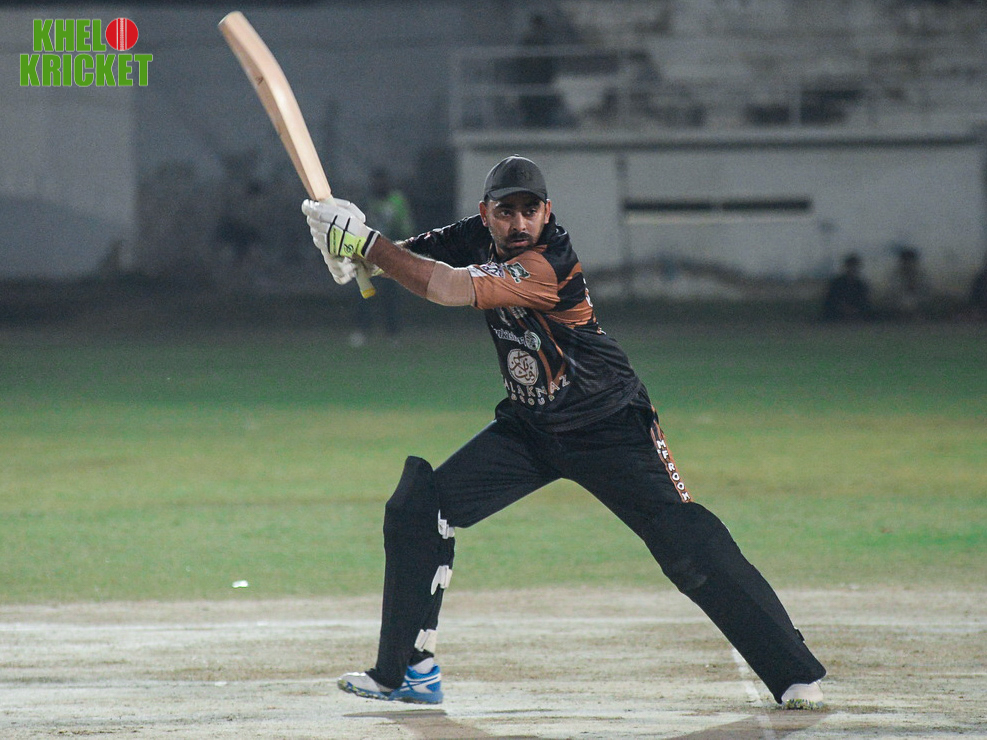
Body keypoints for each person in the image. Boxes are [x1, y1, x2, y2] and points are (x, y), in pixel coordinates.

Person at [301, 156, 827, 710]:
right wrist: (354, 251)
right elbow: (409, 255)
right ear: (486, 212)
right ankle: (407, 671)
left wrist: (367, 245)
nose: (518, 223)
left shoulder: (547, 263)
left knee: (687, 545)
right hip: (531, 428)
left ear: (547, 211)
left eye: (530, 210)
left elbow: (446, 286)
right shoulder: (477, 235)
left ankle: (794, 673)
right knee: (419, 507)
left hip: (609, 426)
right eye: (506, 211)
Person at [348, 168, 416, 346]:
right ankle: (362, 330)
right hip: (367, 256)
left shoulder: (397, 200)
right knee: (365, 294)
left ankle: (392, 333)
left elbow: (405, 227)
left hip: (389, 256)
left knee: (390, 295)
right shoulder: (366, 201)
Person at [821, 253, 872, 321]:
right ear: (846, 267)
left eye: (855, 266)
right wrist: (843, 308)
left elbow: (864, 301)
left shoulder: (860, 285)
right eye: (851, 266)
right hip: (837, 316)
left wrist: (855, 310)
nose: (853, 269)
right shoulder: (836, 283)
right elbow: (831, 300)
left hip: (857, 317)